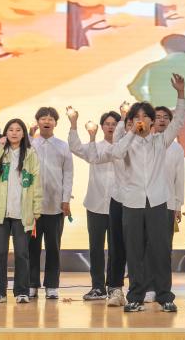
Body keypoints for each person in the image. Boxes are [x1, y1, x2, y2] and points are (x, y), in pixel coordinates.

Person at [93, 74, 185, 313]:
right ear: (131, 121)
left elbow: (178, 122)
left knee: (160, 250)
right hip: (132, 202)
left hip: (157, 202)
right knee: (134, 251)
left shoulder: (160, 141)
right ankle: (135, 296)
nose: (141, 120)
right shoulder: (127, 142)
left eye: (146, 117)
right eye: (137, 117)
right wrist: (132, 132)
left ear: (153, 121)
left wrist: (180, 93)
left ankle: (165, 297)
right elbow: (116, 152)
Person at [128, 20, 185, 195]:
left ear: (165, 48)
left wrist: (148, 102)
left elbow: (134, 87)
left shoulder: (152, 68)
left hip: (162, 113)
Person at [0, 118, 42, 304]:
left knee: (22, 254)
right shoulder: (0, 151)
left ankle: (22, 291)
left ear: (23, 134)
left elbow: (36, 182)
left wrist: (36, 209)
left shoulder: (30, 154)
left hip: (22, 212)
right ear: (5, 133)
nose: (14, 133)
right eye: (11, 130)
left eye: (18, 130)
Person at [68, 110, 122, 303]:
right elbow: (74, 147)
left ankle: (114, 287)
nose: (111, 127)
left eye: (114, 124)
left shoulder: (124, 148)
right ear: (101, 127)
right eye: (107, 123)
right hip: (95, 203)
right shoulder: (95, 147)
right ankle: (98, 287)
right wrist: (73, 123)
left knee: (117, 248)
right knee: (96, 248)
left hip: (118, 204)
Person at [29, 107, 74, 300]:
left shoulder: (63, 146)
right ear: (37, 121)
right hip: (33, 207)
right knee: (32, 247)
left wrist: (65, 199)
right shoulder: (30, 144)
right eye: (43, 118)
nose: (47, 121)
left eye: (50, 119)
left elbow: (68, 174)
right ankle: (31, 284)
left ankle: (52, 285)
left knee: (53, 248)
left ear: (55, 123)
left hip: (55, 206)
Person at [143, 105, 185, 303]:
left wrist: (178, 205)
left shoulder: (176, 148)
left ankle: (163, 289)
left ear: (170, 122)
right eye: (157, 117)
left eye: (165, 117)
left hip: (167, 204)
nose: (161, 120)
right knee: (146, 247)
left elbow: (179, 179)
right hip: (146, 203)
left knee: (164, 248)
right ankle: (148, 287)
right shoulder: (146, 143)